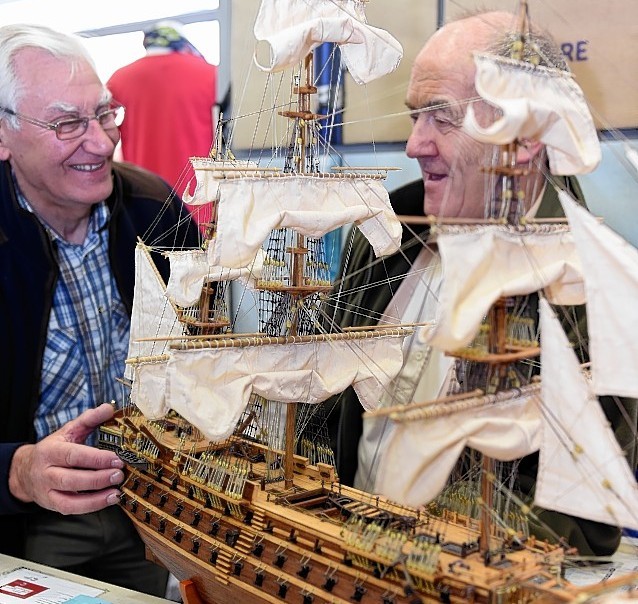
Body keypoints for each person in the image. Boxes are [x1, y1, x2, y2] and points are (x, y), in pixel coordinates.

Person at [326, 11, 638, 557]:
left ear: (521, 138)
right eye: (414, 117)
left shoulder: (592, 290)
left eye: (439, 118)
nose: (413, 145)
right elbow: (321, 415)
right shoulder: (383, 236)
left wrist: (423, 556)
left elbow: (583, 524)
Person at [0, 23, 200, 595]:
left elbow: (201, 354)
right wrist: (17, 471)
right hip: (30, 524)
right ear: (4, 134)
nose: (100, 142)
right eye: (67, 123)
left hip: (152, 499)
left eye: (106, 114)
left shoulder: (154, 208)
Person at [107, 20, 217, 217]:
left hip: (143, 195)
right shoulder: (211, 74)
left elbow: (101, 129)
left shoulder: (120, 78)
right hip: (198, 196)